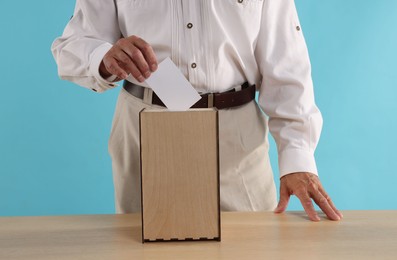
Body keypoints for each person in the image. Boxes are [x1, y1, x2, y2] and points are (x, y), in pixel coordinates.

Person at [52, 0, 343, 221]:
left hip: (237, 138)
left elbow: (286, 64)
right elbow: (74, 43)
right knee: (147, 248)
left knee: (252, 246)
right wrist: (103, 57)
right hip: (145, 128)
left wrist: (297, 158)